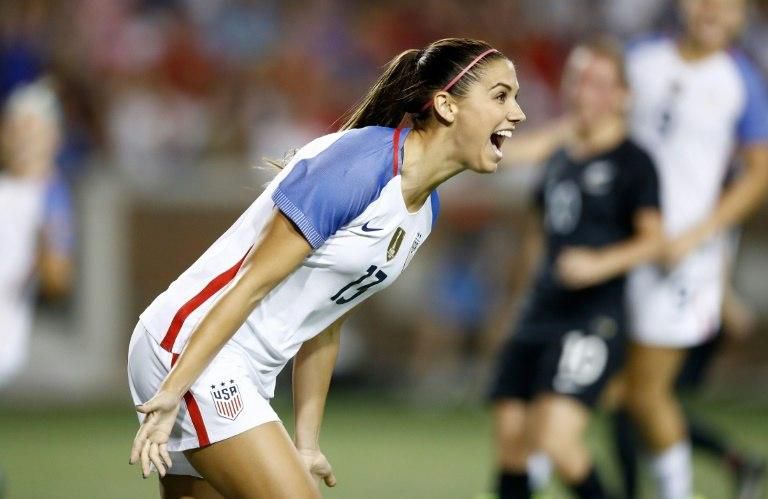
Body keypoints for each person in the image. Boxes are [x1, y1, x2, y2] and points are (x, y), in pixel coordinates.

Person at [127, 37, 526, 499]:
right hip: (193, 347)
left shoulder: (423, 210)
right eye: (500, 96)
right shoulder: (358, 166)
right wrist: (175, 389)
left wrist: (307, 443)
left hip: (239, 366)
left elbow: (329, 316)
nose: (517, 113)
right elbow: (250, 283)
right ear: (446, 105)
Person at [489, 37, 663, 499]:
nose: (584, 91)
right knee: (511, 440)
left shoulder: (634, 162)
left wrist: (599, 263)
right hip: (540, 309)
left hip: (592, 317)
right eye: (578, 80)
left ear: (622, 96)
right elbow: (536, 232)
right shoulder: (559, 156)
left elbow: (654, 240)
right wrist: (515, 303)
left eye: (598, 83)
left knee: (555, 439)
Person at [621, 0, 768, 497]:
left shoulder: (739, 80)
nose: (712, 10)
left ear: (742, 16)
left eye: (727, 4)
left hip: (679, 257)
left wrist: (697, 237)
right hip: (618, 246)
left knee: (642, 392)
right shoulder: (639, 58)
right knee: (613, 391)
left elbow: (759, 174)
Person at [0, 78, 74, 389]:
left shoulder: (51, 198)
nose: (23, 141)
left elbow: (58, 278)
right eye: (17, 130)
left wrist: (44, 243)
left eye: (34, 132)